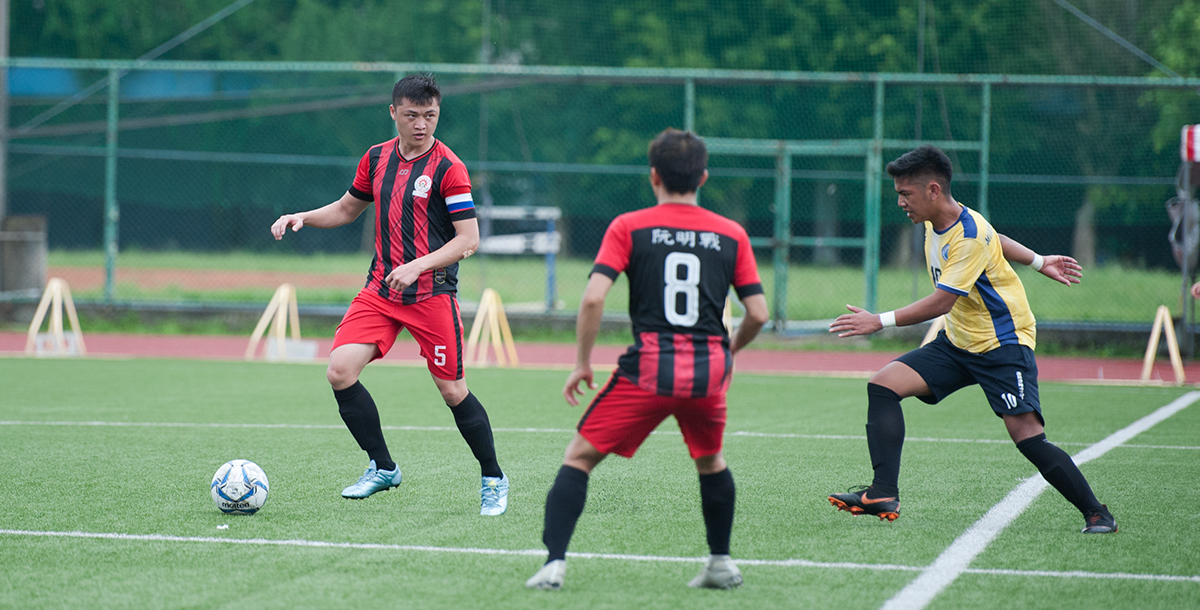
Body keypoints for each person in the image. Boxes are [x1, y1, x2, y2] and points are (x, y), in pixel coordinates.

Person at [524, 129, 771, 591]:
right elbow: (759, 313)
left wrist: (582, 362)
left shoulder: (629, 226)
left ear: (653, 175)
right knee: (711, 460)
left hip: (650, 369)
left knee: (578, 457)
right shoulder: (731, 233)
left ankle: (554, 564)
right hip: (708, 372)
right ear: (703, 176)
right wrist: (729, 350)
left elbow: (594, 298)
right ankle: (720, 562)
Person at [826, 145, 1116, 534]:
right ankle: (882, 493)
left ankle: (1097, 513)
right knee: (883, 387)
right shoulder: (939, 219)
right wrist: (1038, 260)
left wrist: (879, 320)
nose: (899, 202)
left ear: (932, 190)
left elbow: (943, 300)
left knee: (1028, 438)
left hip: (1002, 345)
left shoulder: (969, 234)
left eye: (905, 194)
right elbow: (997, 237)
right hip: (958, 341)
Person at [270, 74, 509, 516]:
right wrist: (303, 215)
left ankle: (493, 477)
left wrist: (418, 265)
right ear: (394, 112)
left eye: (431, 115)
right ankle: (382, 468)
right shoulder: (376, 157)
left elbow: (468, 239)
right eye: (413, 115)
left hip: (431, 294)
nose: (422, 124)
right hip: (381, 289)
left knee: (453, 390)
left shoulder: (448, 168)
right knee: (340, 371)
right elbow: (347, 207)